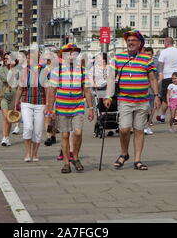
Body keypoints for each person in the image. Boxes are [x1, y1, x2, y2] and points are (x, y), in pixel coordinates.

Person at [104, 30, 160, 171]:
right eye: (129, 40)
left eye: (134, 40)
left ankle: (137, 160)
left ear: (139, 43)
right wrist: (108, 96)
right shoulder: (118, 58)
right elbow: (111, 78)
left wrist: (157, 95)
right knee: (124, 129)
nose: (130, 43)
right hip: (125, 100)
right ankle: (124, 153)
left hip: (142, 100)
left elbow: (152, 79)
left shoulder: (147, 59)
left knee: (139, 130)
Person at [47, 43, 94, 174]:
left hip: (78, 106)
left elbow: (87, 90)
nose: (71, 55)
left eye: (74, 53)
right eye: (68, 53)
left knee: (78, 132)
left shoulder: (83, 71)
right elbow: (52, 92)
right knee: (65, 135)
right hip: (62, 107)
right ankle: (66, 163)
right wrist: (50, 110)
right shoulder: (57, 71)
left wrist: (90, 108)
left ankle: (76, 157)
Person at [14, 51, 50, 162]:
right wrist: (16, 103)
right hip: (26, 102)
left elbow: (47, 89)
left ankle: (35, 154)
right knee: (28, 127)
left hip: (40, 103)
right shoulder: (23, 71)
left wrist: (48, 104)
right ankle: (28, 153)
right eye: (28, 59)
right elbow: (20, 88)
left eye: (32, 59)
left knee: (38, 130)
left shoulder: (43, 71)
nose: (30, 61)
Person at [157, 37, 177, 123]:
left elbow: (161, 64)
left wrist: (161, 73)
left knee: (166, 98)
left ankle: (162, 116)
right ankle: (176, 117)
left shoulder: (163, 52)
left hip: (167, 76)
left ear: (166, 42)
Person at [0, 53, 18, 146]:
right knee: (6, 117)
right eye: (5, 58)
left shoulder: (18, 70)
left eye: (9, 58)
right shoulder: (1, 69)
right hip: (4, 96)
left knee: (9, 118)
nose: (7, 60)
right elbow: (7, 79)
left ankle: (7, 137)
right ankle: (4, 137)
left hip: (14, 96)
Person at [143, 47, 156, 135]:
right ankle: (142, 126)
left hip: (153, 89)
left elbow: (158, 76)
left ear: (152, 54)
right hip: (144, 89)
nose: (148, 56)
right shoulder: (142, 63)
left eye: (149, 54)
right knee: (143, 109)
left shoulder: (156, 63)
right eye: (146, 54)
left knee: (152, 109)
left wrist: (155, 86)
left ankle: (148, 126)